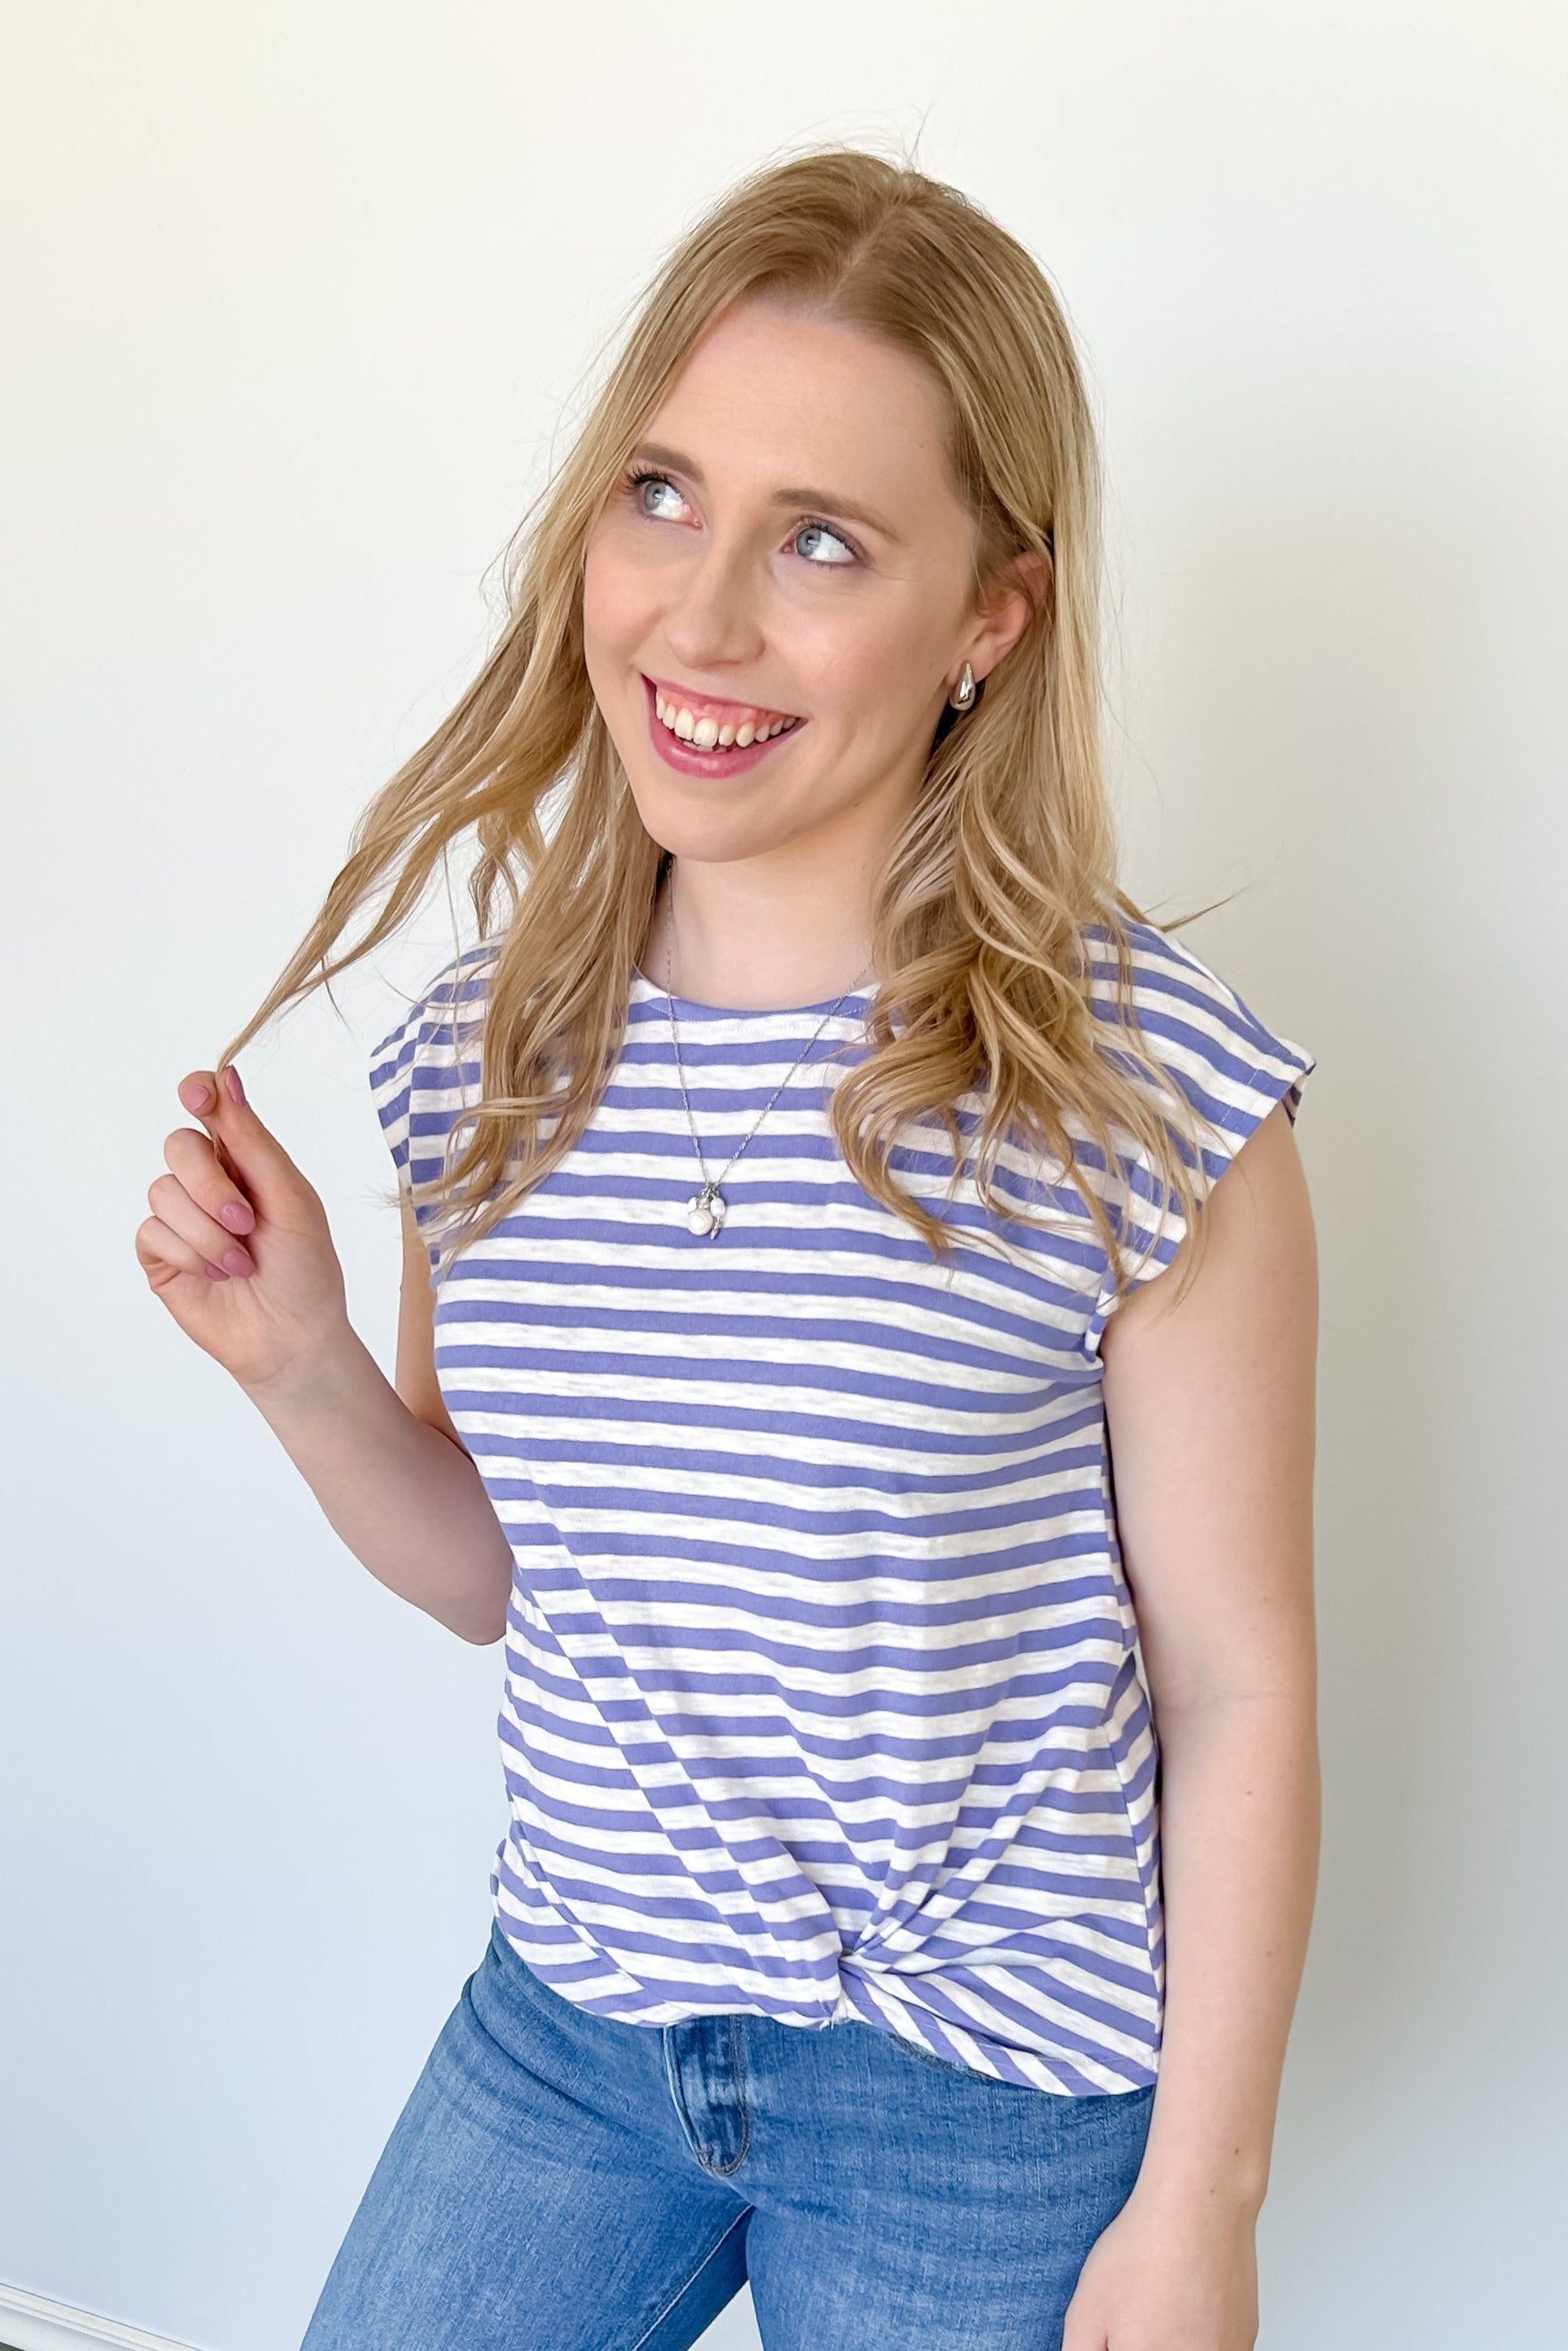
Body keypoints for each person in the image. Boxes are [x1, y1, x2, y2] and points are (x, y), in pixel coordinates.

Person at [136, 146, 1319, 2351]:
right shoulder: (488, 1055)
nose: (695, 619)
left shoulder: (1140, 1088)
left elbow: (1236, 1685)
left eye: (823, 542)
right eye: (660, 495)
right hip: (569, 2036)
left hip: (981, 2099)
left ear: (992, 613)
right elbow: (512, 1573)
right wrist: (299, 1365)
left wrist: (1199, 2213)